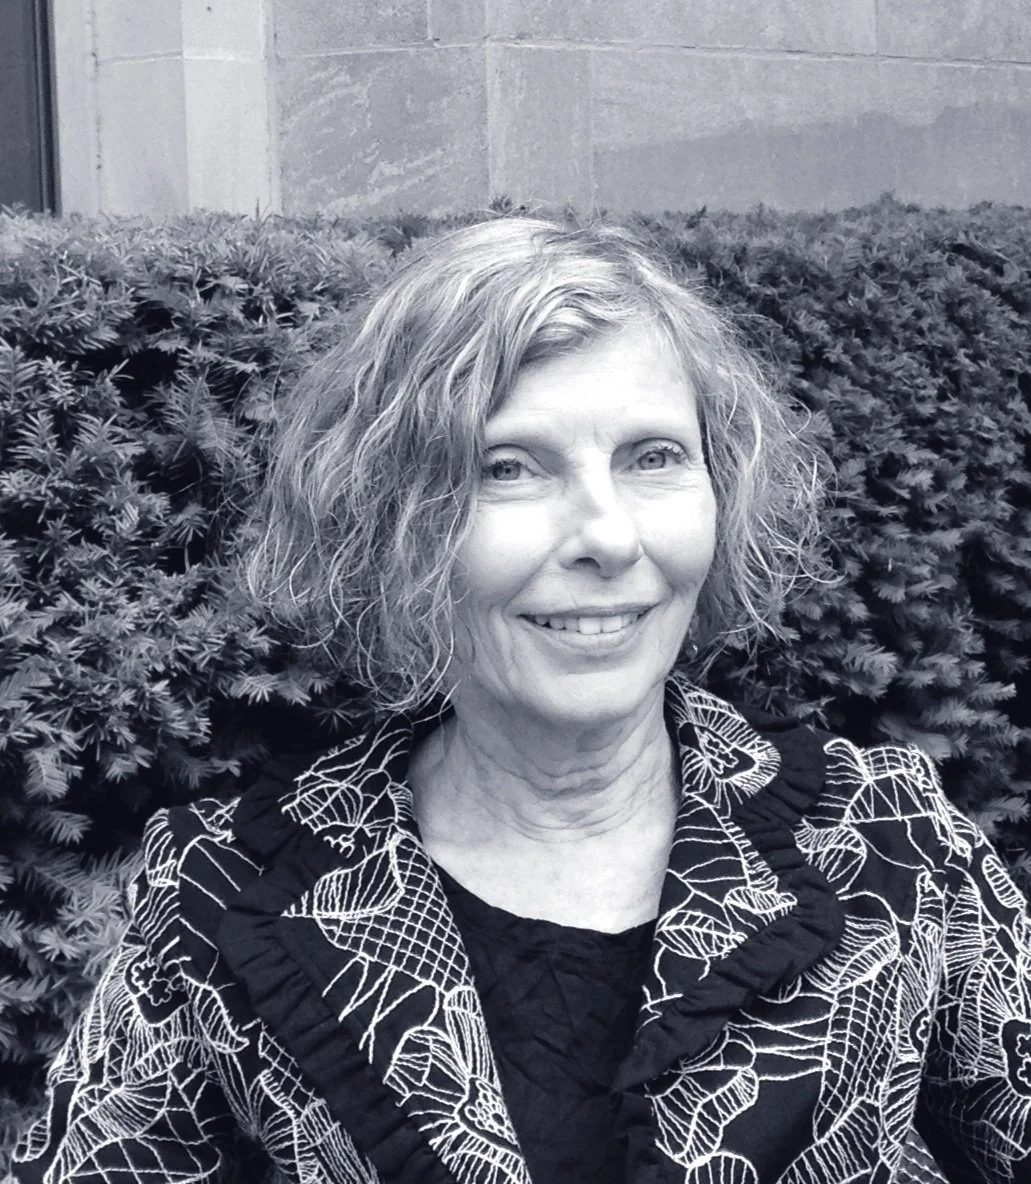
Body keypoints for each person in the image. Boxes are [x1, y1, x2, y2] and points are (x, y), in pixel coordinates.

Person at [11, 216, 1031, 1184]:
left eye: (653, 456)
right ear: (389, 519)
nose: (609, 536)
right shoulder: (218, 890)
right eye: (508, 466)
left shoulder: (890, 841)